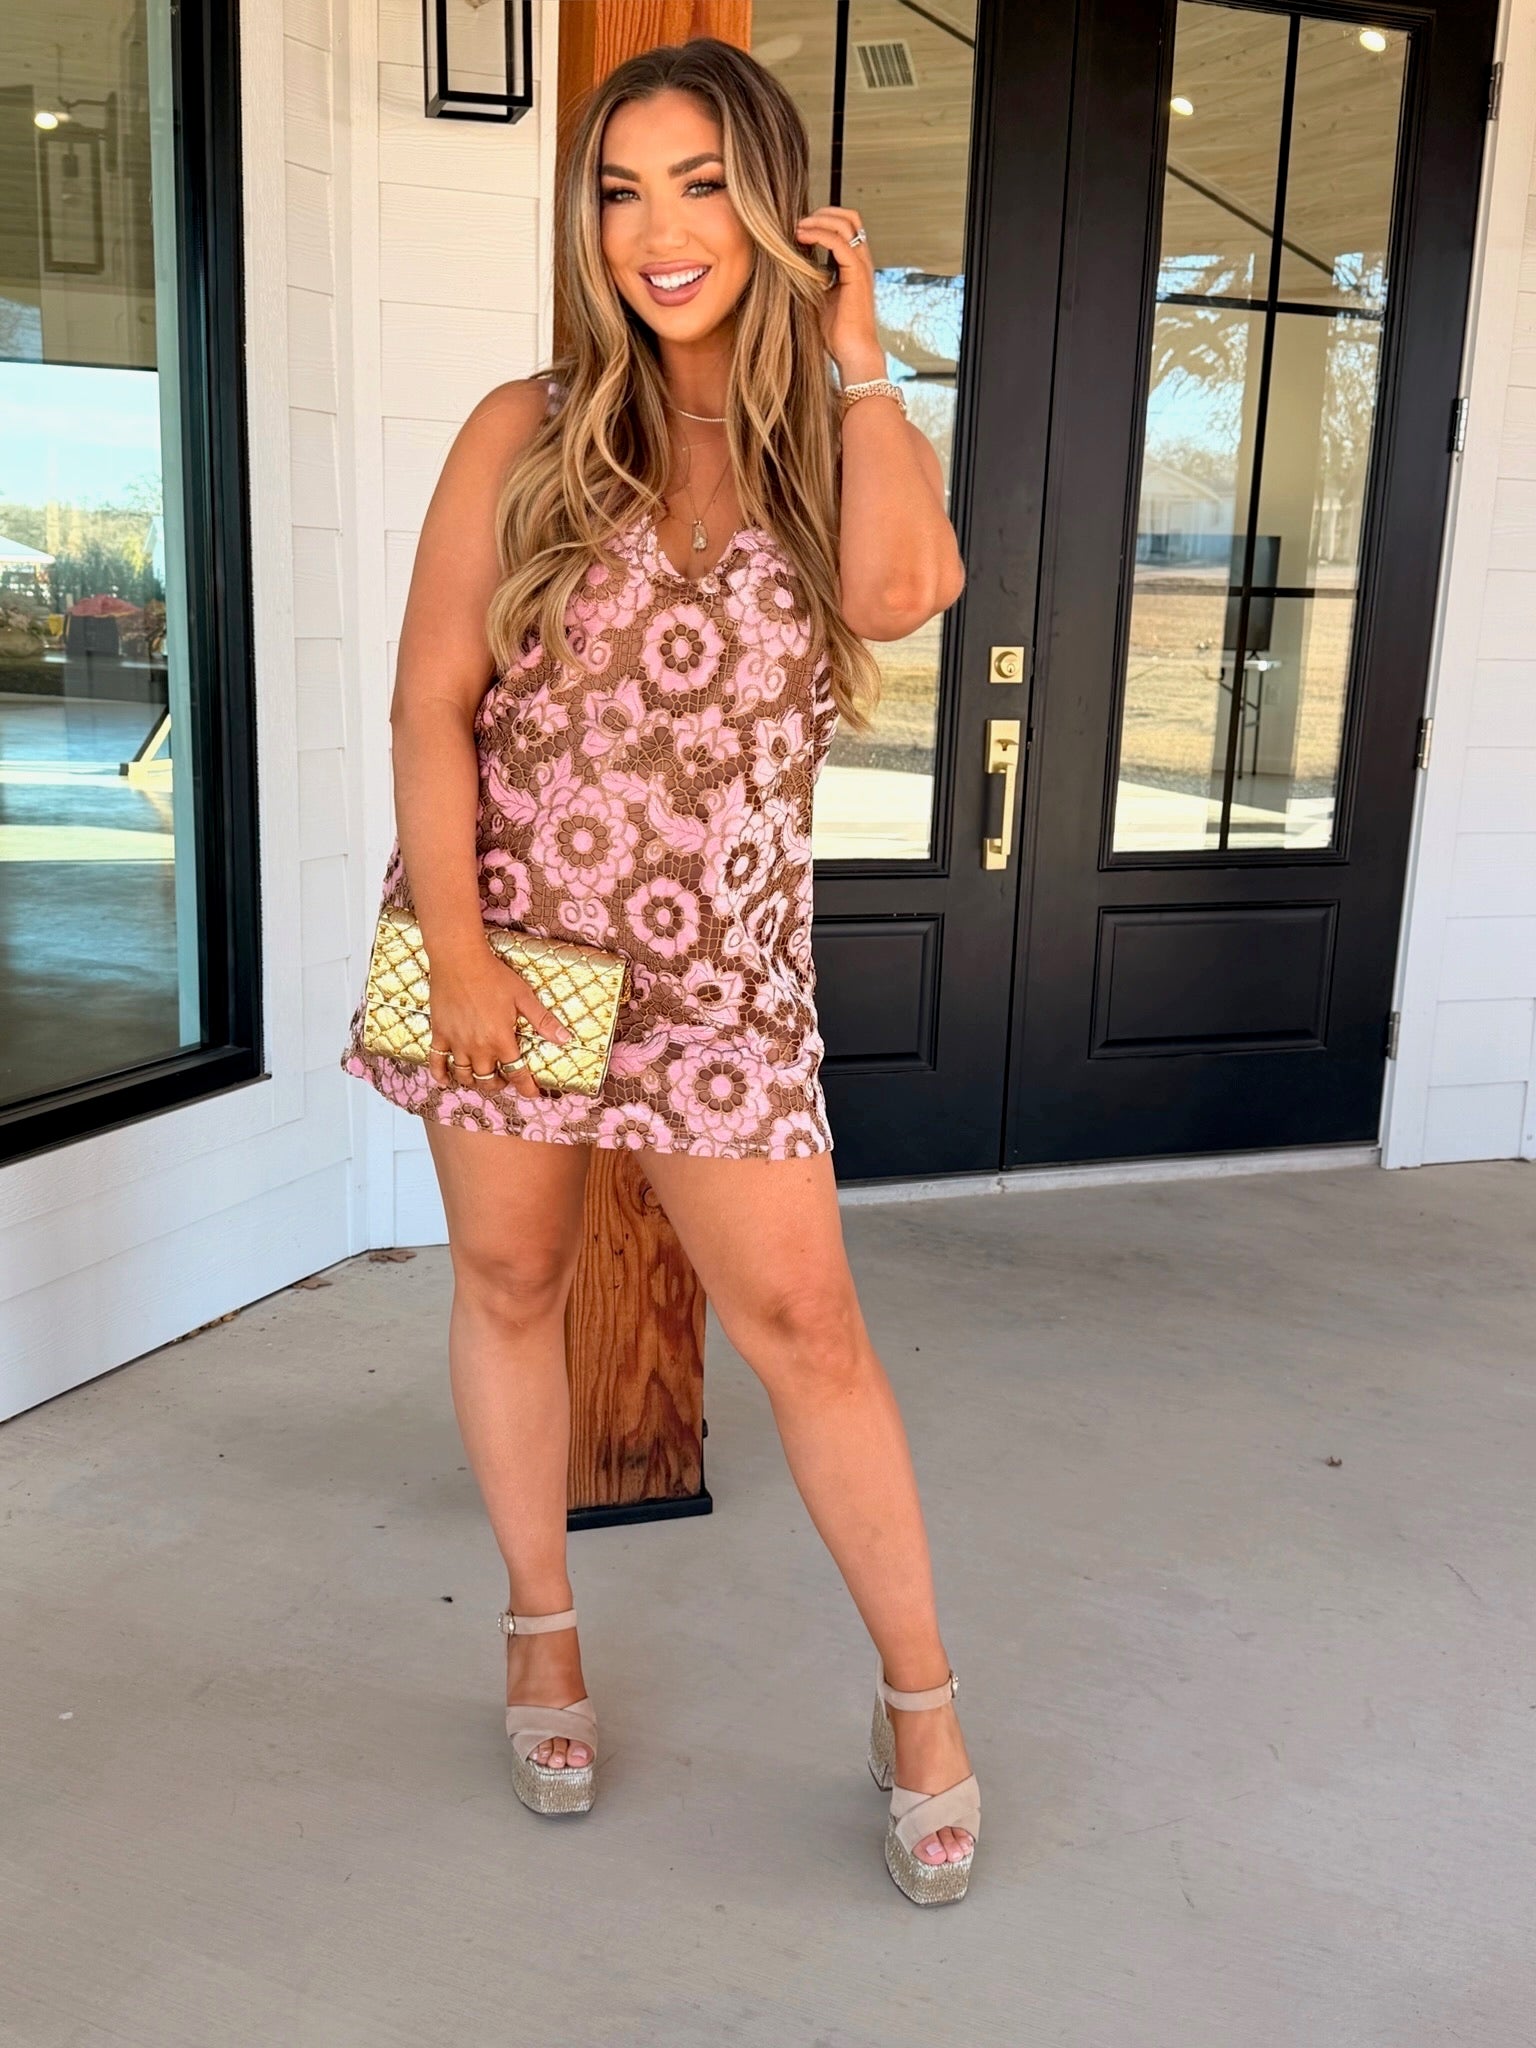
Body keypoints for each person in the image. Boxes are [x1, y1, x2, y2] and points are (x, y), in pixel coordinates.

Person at [341, 36, 977, 1905]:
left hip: (725, 983)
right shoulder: (524, 427)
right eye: (620, 190)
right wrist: (459, 953)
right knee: (510, 1279)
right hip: (506, 937)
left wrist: (862, 356)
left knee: (811, 1335)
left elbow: (900, 595)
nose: (657, 229)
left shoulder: (834, 439)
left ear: (774, 206)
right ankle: (541, 1631)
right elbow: (431, 704)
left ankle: (922, 1704)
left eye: (701, 184)